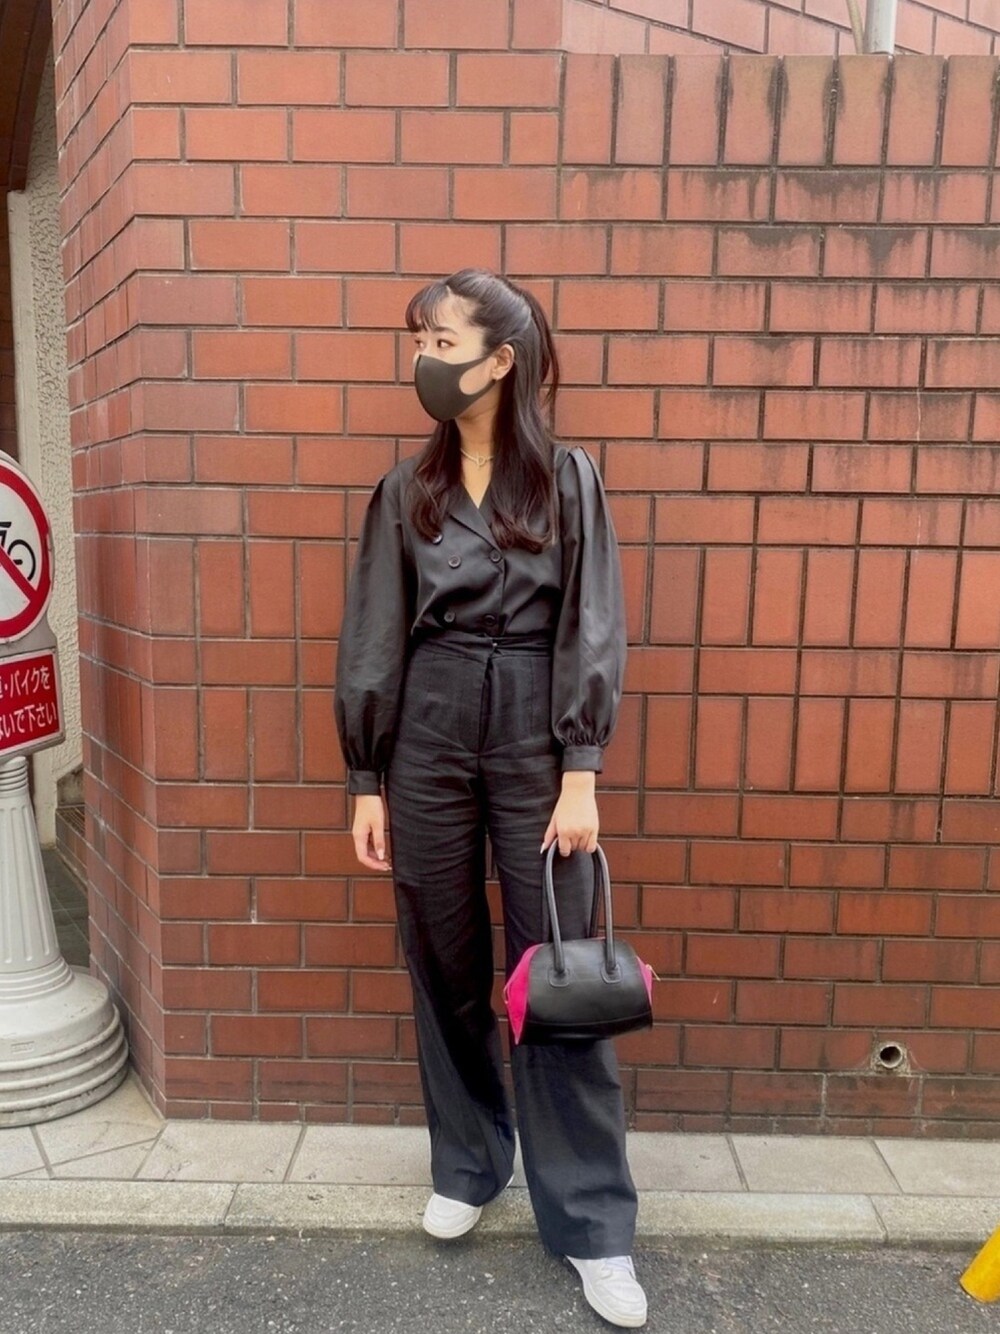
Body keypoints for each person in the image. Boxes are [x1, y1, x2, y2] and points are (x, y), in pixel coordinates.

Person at [334, 268, 646, 1329]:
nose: (421, 357)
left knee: (554, 971)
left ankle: (593, 1224)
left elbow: (591, 622)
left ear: (499, 360)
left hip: (533, 736)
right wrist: (367, 778)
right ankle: (469, 1162)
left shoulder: (566, 479)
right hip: (425, 733)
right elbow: (375, 633)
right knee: (443, 954)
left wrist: (580, 768)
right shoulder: (406, 490)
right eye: (418, 338)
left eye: (440, 339)